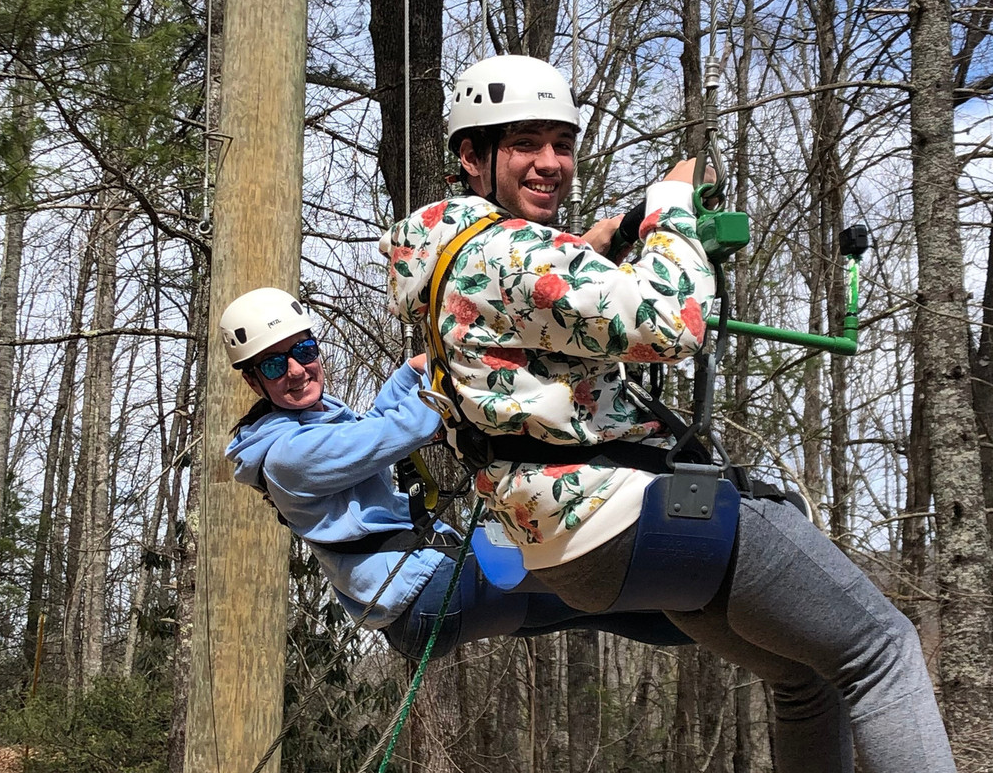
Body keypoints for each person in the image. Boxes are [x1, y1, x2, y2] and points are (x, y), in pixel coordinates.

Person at [378, 54, 956, 773]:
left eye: (561, 144)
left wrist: (605, 241)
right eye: (524, 143)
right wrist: (669, 208)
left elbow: (535, 304)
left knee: (801, 676)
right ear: (471, 155)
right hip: (634, 514)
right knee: (883, 650)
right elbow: (670, 321)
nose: (550, 162)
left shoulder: (450, 253)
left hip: (573, 548)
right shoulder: (511, 252)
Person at [220, 286, 692, 661]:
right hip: (427, 591)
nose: (298, 370)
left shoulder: (311, 422)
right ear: (253, 380)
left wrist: (411, 370)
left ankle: (699, 613)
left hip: (420, 601)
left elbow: (373, 432)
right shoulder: (288, 456)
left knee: (603, 604)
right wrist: (458, 359)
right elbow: (406, 427)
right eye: (275, 364)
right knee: (597, 585)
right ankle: (700, 597)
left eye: (303, 350)